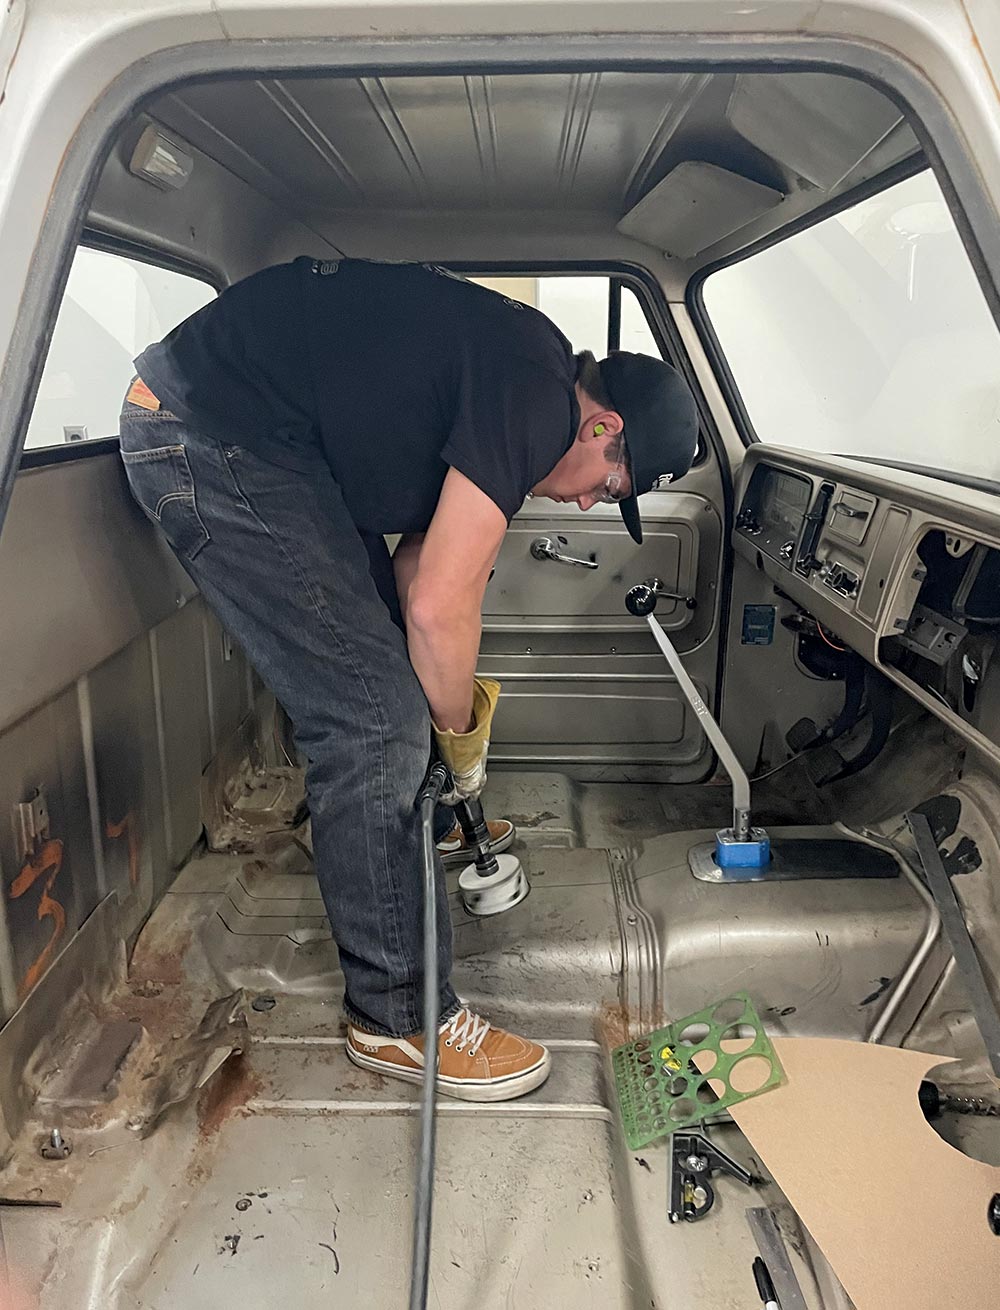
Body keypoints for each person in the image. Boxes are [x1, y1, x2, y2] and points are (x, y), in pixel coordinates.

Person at [118, 258, 699, 1101]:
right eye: (612, 486)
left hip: (262, 444)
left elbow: (418, 568)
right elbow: (437, 607)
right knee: (374, 721)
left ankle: (379, 851)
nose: (588, 506)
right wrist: (458, 748)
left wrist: (439, 743)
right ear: (603, 426)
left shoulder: (527, 373)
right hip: (210, 435)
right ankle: (398, 1018)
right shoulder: (534, 402)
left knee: (382, 689)